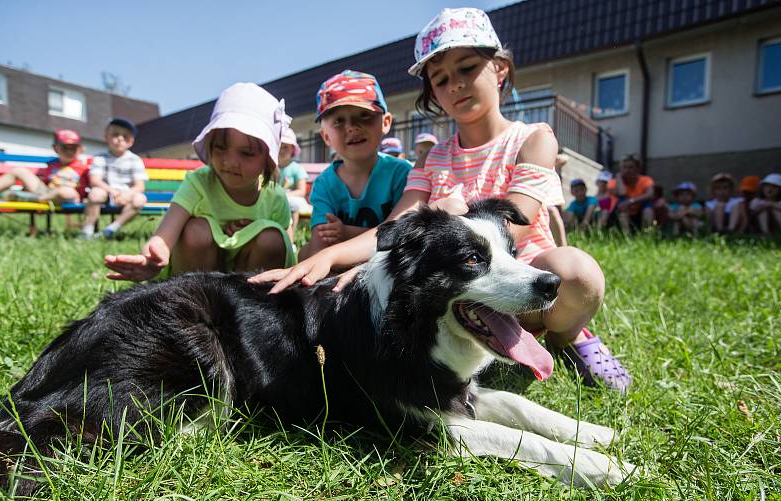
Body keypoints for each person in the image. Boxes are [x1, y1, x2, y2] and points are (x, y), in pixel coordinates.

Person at [252, 8, 631, 392]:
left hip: (524, 276)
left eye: (467, 68)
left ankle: (567, 339)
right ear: (432, 92)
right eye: (441, 79)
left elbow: (516, 214)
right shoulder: (434, 159)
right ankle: (480, 339)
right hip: (469, 290)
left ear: (500, 69)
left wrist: (450, 210)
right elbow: (400, 224)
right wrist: (329, 257)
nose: (456, 85)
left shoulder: (533, 138)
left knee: (577, 273)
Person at [104, 83, 295, 281]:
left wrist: (259, 229)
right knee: (197, 230)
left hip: (248, 291)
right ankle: (191, 300)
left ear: (269, 159)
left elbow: (289, 252)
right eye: (220, 148)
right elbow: (165, 233)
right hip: (198, 277)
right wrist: (152, 257)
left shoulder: (275, 197)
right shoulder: (199, 182)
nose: (230, 162)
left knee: (272, 238)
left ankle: (249, 306)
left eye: (246, 153)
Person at [298, 70, 412, 261]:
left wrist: (346, 232)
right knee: (304, 254)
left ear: (385, 122)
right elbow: (320, 245)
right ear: (326, 136)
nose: (351, 127)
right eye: (339, 121)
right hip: (339, 264)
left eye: (364, 115)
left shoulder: (402, 173)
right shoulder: (324, 184)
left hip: (388, 265)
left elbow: (404, 237)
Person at [82, 118, 148, 238]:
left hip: (126, 196)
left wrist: (126, 194)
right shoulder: (100, 157)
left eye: (125, 136)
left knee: (140, 199)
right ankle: (87, 231)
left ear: (131, 141)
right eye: (115, 134)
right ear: (106, 136)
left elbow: (140, 186)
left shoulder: (135, 160)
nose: (120, 138)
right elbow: (95, 181)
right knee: (95, 193)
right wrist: (114, 193)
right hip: (105, 193)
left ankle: (111, 229)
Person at [0, 129, 88, 204]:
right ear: (56, 148)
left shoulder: (84, 167)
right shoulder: (52, 164)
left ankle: (34, 199)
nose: (69, 151)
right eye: (65, 148)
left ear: (80, 149)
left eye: (73, 148)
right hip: (47, 192)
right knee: (19, 170)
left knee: (66, 191)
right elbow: (44, 183)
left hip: (68, 196)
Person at [277, 127, 311, 243]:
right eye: (279, 146)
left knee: (292, 204)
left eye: (285, 147)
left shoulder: (296, 168)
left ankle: (291, 236)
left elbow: (302, 191)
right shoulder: (272, 168)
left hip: (295, 199)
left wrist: (286, 195)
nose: (281, 150)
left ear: (293, 150)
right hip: (278, 198)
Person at [609, 154, 654, 234]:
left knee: (648, 209)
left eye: (631, 167)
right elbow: (622, 193)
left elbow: (650, 194)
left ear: (637, 169)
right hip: (621, 215)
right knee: (622, 205)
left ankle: (647, 235)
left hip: (639, 213)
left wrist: (630, 201)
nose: (627, 170)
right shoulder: (613, 182)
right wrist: (619, 178)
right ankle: (627, 236)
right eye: (624, 167)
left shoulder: (646, 180)